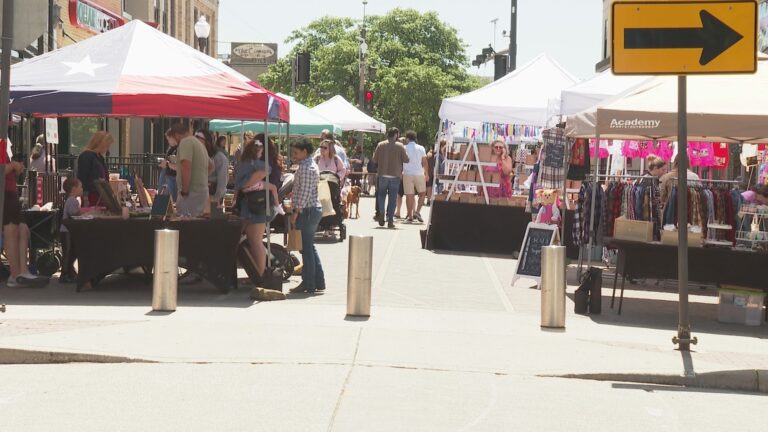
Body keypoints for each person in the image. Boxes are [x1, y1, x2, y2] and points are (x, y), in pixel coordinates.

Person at [235, 139, 281, 277]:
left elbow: (241, 184)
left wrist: (247, 184)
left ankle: (259, 275)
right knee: (255, 241)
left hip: (251, 206)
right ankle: (259, 274)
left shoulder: (244, 163)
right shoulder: (257, 163)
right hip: (257, 205)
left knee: (254, 241)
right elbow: (267, 171)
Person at [2, 150, 47, 287]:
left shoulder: (3, 143)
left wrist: (14, 167)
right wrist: (12, 166)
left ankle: (22, 271)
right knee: (12, 231)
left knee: (23, 230)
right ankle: (15, 275)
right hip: (4, 193)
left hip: (10, 192)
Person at [289, 138, 326, 294]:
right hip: (312, 209)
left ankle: (309, 283)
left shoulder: (305, 167)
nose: (294, 155)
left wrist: (296, 212)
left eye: (296, 152)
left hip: (307, 210)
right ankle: (318, 281)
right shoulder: (310, 165)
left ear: (305, 152)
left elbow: (304, 194)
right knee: (309, 247)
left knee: (306, 248)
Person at [166, 123, 213, 216]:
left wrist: (185, 191)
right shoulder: (199, 143)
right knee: (197, 224)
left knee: (186, 225)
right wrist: (201, 178)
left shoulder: (186, 142)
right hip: (201, 192)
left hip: (191, 193)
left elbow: (186, 166)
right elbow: (211, 166)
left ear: (176, 135)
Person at [373, 128, 409, 229]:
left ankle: (381, 211)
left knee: (381, 195)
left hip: (382, 174)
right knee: (393, 198)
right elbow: (406, 160)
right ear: (396, 135)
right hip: (395, 175)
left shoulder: (380, 144)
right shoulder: (400, 146)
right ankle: (390, 219)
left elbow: (374, 159)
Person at [59, 178, 87, 284]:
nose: (82, 189)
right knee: (68, 251)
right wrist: (83, 212)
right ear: (74, 189)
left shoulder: (74, 200)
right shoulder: (72, 200)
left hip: (69, 231)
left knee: (72, 251)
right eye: (80, 187)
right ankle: (64, 273)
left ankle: (69, 270)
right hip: (67, 231)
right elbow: (73, 213)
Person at [77, 131, 112, 207]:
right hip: (91, 195)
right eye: (107, 145)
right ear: (100, 144)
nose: (108, 148)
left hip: (101, 195)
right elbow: (82, 177)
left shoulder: (99, 157)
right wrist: (85, 197)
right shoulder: (86, 156)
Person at [402, 131, 429, 223]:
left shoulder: (404, 148)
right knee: (422, 193)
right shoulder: (421, 148)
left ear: (407, 138)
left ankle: (409, 216)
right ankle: (417, 211)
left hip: (407, 173)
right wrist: (427, 173)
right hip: (418, 172)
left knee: (409, 195)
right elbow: (425, 162)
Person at [197, 130, 229, 207]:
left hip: (212, 197)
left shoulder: (219, 158)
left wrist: (216, 200)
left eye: (198, 137)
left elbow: (222, 181)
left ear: (207, 141)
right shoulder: (197, 155)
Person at [639, 154, 666, 241]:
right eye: (663, 169)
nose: (664, 172)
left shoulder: (650, 179)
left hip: (652, 218)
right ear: (655, 169)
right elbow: (647, 203)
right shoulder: (648, 180)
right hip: (649, 219)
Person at [158, 130, 180, 200]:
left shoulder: (180, 148)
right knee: (163, 199)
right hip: (167, 175)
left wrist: (167, 164)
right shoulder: (171, 148)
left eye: (168, 139)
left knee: (172, 199)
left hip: (174, 177)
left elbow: (178, 165)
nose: (168, 141)